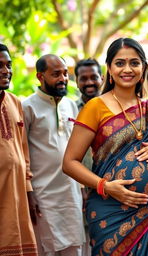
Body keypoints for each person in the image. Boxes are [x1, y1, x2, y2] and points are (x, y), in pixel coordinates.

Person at [63, 38, 148, 255]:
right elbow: (69, 162)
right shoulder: (96, 107)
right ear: (110, 69)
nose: (127, 69)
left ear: (143, 68)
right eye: (120, 63)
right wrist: (106, 186)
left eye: (134, 63)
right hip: (111, 213)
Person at [22, 54, 85, 256]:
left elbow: (77, 150)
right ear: (40, 77)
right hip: (43, 193)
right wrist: (28, 191)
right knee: (47, 248)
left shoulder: (71, 105)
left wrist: (82, 186)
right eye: (55, 74)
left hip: (71, 192)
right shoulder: (27, 107)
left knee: (75, 246)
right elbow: (22, 151)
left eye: (65, 73)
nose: (63, 79)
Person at [0, 43, 38, 255]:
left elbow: (23, 150)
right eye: (0, 66)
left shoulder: (15, 102)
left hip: (16, 192)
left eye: (8, 65)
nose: (6, 71)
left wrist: (29, 190)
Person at [74, 58, 103, 255]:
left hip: (108, 189)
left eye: (93, 77)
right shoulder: (69, 110)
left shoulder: (113, 108)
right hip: (75, 190)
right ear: (76, 81)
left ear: (102, 77)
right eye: (83, 78)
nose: (89, 82)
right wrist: (81, 186)